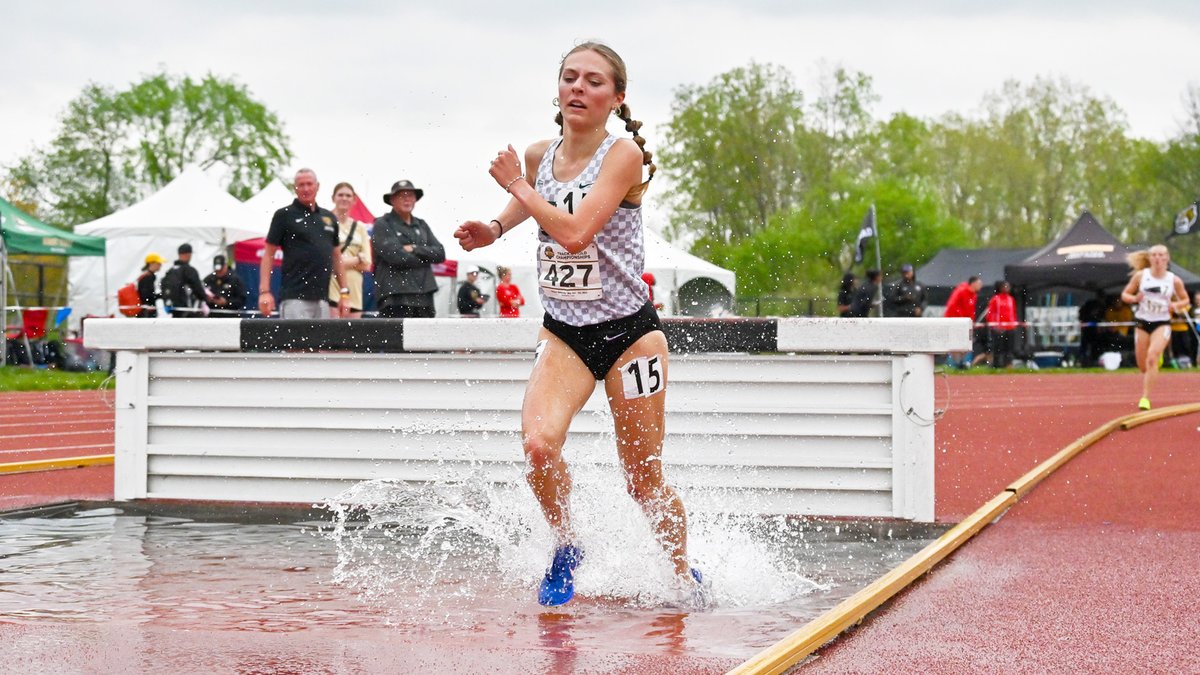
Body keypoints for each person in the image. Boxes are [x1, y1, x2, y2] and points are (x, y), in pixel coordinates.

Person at [453, 41, 708, 607]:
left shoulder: (623, 156)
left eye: (594, 81)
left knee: (642, 480)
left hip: (630, 338)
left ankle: (682, 573)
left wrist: (516, 186)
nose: (578, 88)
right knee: (539, 446)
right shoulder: (541, 154)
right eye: (570, 77)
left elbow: (574, 233)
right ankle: (568, 544)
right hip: (564, 331)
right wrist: (494, 229)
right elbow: (537, 198)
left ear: (617, 97)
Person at [258, 168, 351, 319]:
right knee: (295, 343)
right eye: (301, 185)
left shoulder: (329, 218)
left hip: (322, 298)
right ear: (295, 188)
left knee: (322, 343)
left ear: (317, 186)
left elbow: (337, 257)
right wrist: (264, 292)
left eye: (309, 184)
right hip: (294, 297)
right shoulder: (284, 215)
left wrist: (344, 293)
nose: (306, 188)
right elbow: (268, 254)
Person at [1119, 244, 1189, 410]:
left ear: (1167, 258)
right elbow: (1125, 294)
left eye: (1161, 255)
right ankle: (1155, 360)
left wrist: (1175, 305)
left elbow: (1185, 300)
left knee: (1152, 357)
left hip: (1162, 323)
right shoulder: (1141, 276)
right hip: (1143, 322)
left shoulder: (1174, 280)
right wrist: (1135, 298)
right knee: (1143, 366)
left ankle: (1145, 398)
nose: (1157, 258)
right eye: (1154, 255)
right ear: (1149, 258)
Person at [372, 180, 446, 318]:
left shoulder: (422, 225)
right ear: (392, 200)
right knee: (394, 338)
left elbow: (440, 253)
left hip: (424, 294)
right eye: (402, 195)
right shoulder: (382, 224)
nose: (407, 199)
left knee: (425, 338)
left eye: (410, 195)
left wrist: (414, 248)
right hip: (395, 295)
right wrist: (425, 258)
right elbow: (395, 256)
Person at [327, 182, 373, 319]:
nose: (344, 198)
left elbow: (367, 264)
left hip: (355, 290)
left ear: (354, 200)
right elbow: (325, 261)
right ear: (333, 198)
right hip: (331, 289)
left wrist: (338, 262)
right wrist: (356, 259)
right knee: (331, 337)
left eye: (348, 195)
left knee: (353, 338)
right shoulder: (325, 222)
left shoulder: (360, 227)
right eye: (340, 195)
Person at [161, 243, 212, 318]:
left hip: (174, 310)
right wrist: (206, 298)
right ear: (189, 254)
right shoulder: (189, 270)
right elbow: (198, 289)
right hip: (187, 310)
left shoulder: (170, 271)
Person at [942, 275, 982, 368]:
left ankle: (963, 363)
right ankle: (952, 363)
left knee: (965, 342)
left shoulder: (974, 295)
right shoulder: (961, 291)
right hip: (955, 321)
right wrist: (959, 319)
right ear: (973, 283)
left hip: (964, 323)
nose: (980, 286)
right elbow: (952, 305)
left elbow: (971, 310)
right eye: (979, 284)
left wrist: (971, 321)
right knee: (955, 342)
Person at [985, 280, 1017, 368]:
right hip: (998, 328)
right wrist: (994, 326)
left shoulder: (1011, 299)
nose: (1007, 288)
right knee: (998, 348)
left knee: (1009, 348)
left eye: (1008, 286)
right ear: (1000, 288)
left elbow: (1013, 313)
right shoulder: (996, 299)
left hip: (1010, 327)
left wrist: (1013, 324)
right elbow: (990, 313)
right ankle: (997, 365)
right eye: (1005, 286)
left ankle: (1008, 364)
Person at [136, 253, 165, 318]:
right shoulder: (148, 277)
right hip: (147, 312)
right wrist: (161, 295)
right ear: (152, 263)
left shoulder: (144, 275)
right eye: (158, 263)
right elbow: (147, 297)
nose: (160, 265)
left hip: (144, 311)